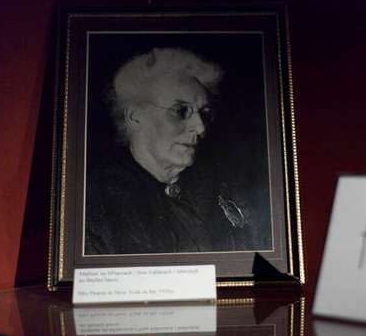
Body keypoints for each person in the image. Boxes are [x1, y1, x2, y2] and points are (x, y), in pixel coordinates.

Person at [85, 48, 253, 255]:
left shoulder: (219, 183)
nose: (200, 127)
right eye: (181, 111)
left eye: (204, 113)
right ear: (135, 116)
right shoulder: (97, 203)